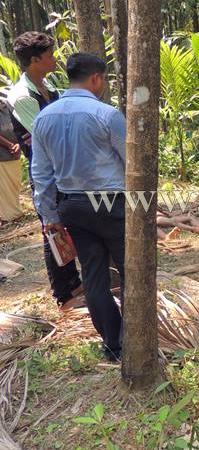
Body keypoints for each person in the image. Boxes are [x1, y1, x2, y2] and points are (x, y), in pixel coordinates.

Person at [31, 53, 125, 361]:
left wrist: (49, 216)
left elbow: (41, 174)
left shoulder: (43, 118)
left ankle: (113, 344)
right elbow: (132, 163)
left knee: (94, 276)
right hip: (112, 205)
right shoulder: (106, 114)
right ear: (96, 78)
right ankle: (137, 338)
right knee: (131, 271)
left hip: (72, 206)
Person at [6, 31, 82, 308]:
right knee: (53, 229)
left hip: (64, 170)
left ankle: (74, 283)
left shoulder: (48, 87)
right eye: (50, 56)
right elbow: (48, 133)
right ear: (35, 60)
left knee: (66, 227)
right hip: (46, 174)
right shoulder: (24, 96)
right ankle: (63, 294)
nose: (55, 59)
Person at [0, 99, 22, 225]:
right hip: (2, 153)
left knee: (14, 183)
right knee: (4, 186)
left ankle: (13, 212)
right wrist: (10, 145)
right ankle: (9, 215)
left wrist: (18, 144)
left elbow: (19, 124)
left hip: (15, 150)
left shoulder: (6, 103)